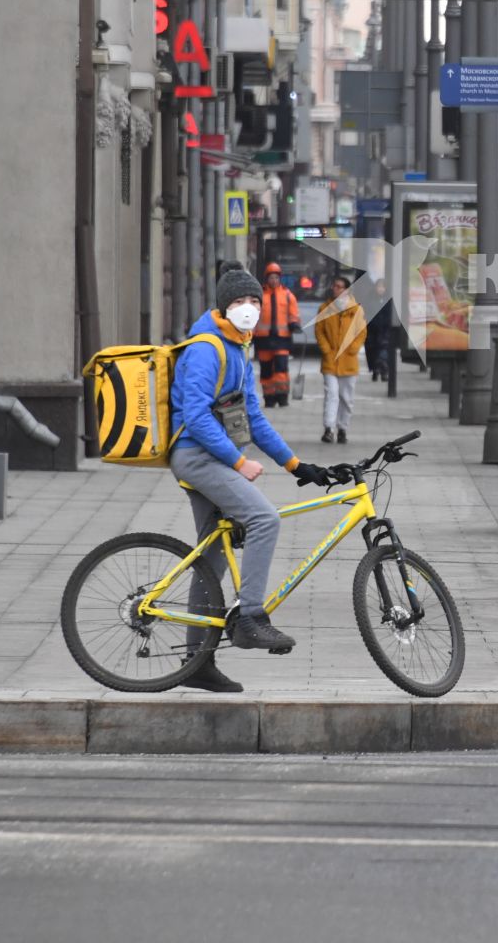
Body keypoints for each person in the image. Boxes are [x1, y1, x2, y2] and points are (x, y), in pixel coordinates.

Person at [168, 264, 330, 691]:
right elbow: (196, 416)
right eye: (239, 301)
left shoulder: (238, 346)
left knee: (212, 562)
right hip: (197, 457)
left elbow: (253, 417)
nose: (248, 309)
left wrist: (295, 465)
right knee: (264, 519)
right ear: (223, 306)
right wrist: (239, 464)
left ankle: (196, 664)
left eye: (254, 302)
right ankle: (250, 618)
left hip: (211, 457)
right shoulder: (208, 348)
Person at [313, 274, 366, 444]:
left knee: (346, 397)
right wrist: (326, 349)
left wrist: (354, 348)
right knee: (332, 394)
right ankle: (328, 428)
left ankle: (342, 428)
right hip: (330, 360)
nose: (335, 289)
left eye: (339, 286)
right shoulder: (324, 308)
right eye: (334, 286)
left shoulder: (356, 309)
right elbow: (319, 330)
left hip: (349, 360)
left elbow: (362, 331)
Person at [254, 262, 300, 407]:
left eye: (276, 277)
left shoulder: (288, 295)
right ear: (266, 279)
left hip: (282, 338)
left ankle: (282, 397)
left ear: (280, 278)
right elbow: (253, 316)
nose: (273, 280)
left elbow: (293, 314)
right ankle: (269, 398)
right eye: (271, 278)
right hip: (263, 339)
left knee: (281, 368)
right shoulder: (259, 296)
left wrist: (294, 324)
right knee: (266, 370)